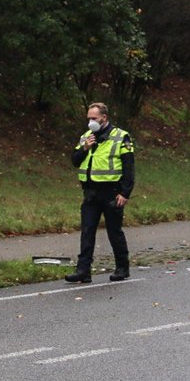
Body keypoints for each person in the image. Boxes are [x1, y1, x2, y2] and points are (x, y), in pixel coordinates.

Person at [66, 101, 135, 283]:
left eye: (94, 118)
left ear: (104, 118)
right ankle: (83, 270)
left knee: (114, 232)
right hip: (90, 192)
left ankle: (122, 268)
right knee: (87, 231)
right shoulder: (86, 136)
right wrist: (84, 148)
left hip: (112, 193)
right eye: (88, 118)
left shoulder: (121, 137)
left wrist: (125, 193)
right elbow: (74, 160)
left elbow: (129, 168)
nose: (90, 122)